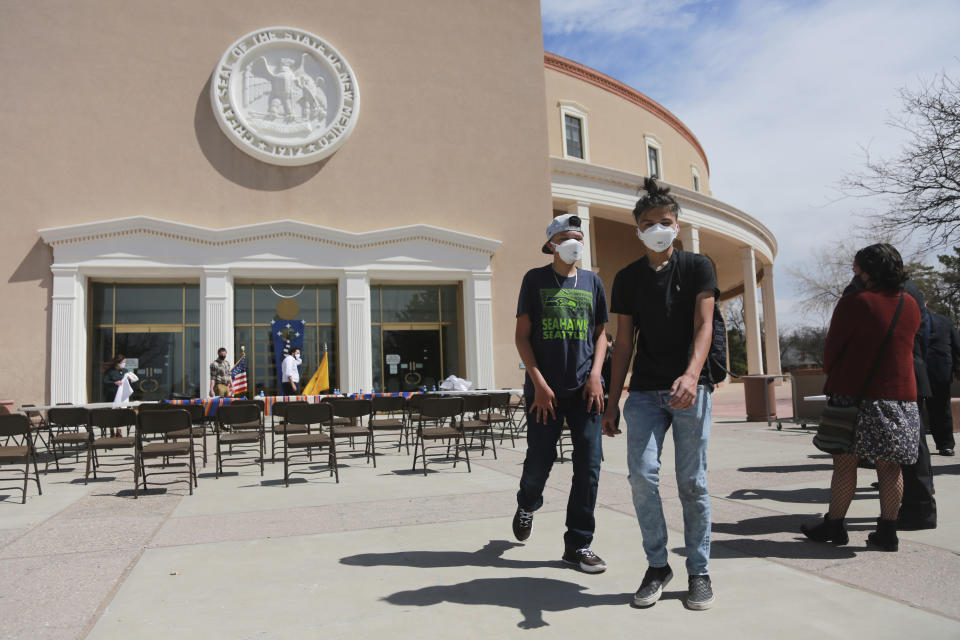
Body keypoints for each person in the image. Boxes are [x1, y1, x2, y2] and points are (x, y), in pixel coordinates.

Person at [602, 177, 718, 611]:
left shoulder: (697, 267)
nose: (657, 228)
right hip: (646, 394)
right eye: (648, 223)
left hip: (691, 390)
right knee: (641, 476)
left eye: (664, 221)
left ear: (678, 227)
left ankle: (699, 571)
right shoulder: (627, 278)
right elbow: (624, 343)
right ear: (637, 230)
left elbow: (703, 325)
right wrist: (612, 403)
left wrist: (691, 375)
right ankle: (657, 565)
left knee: (692, 482)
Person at [802, 243, 922, 553]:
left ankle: (834, 525)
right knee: (890, 467)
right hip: (901, 398)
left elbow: (833, 351)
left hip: (855, 396)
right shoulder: (910, 304)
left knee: (844, 464)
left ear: (868, 270)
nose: (854, 271)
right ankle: (887, 532)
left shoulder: (856, 302)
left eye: (857, 267)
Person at [512, 213, 609, 574]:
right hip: (544, 392)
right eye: (568, 237)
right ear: (551, 243)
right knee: (540, 460)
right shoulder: (534, 280)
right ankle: (527, 502)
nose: (575, 243)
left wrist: (597, 375)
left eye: (579, 237)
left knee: (589, 467)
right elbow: (522, 336)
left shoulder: (593, 282)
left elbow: (601, 333)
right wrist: (537, 382)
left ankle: (578, 545)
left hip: (586, 390)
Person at [843, 269, 937, 529]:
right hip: (913, 370)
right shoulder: (912, 289)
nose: (854, 272)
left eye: (857, 268)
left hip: (886, 378)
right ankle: (920, 508)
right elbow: (924, 332)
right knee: (915, 446)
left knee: (894, 455)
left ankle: (910, 514)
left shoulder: (865, 290)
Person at [926, 311, 960, 456]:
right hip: (914, 371)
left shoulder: (945, 321)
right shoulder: (907, 318)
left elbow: (956, 346)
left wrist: (958, 369)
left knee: (941, 409)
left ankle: (945, 444)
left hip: (940, 372)